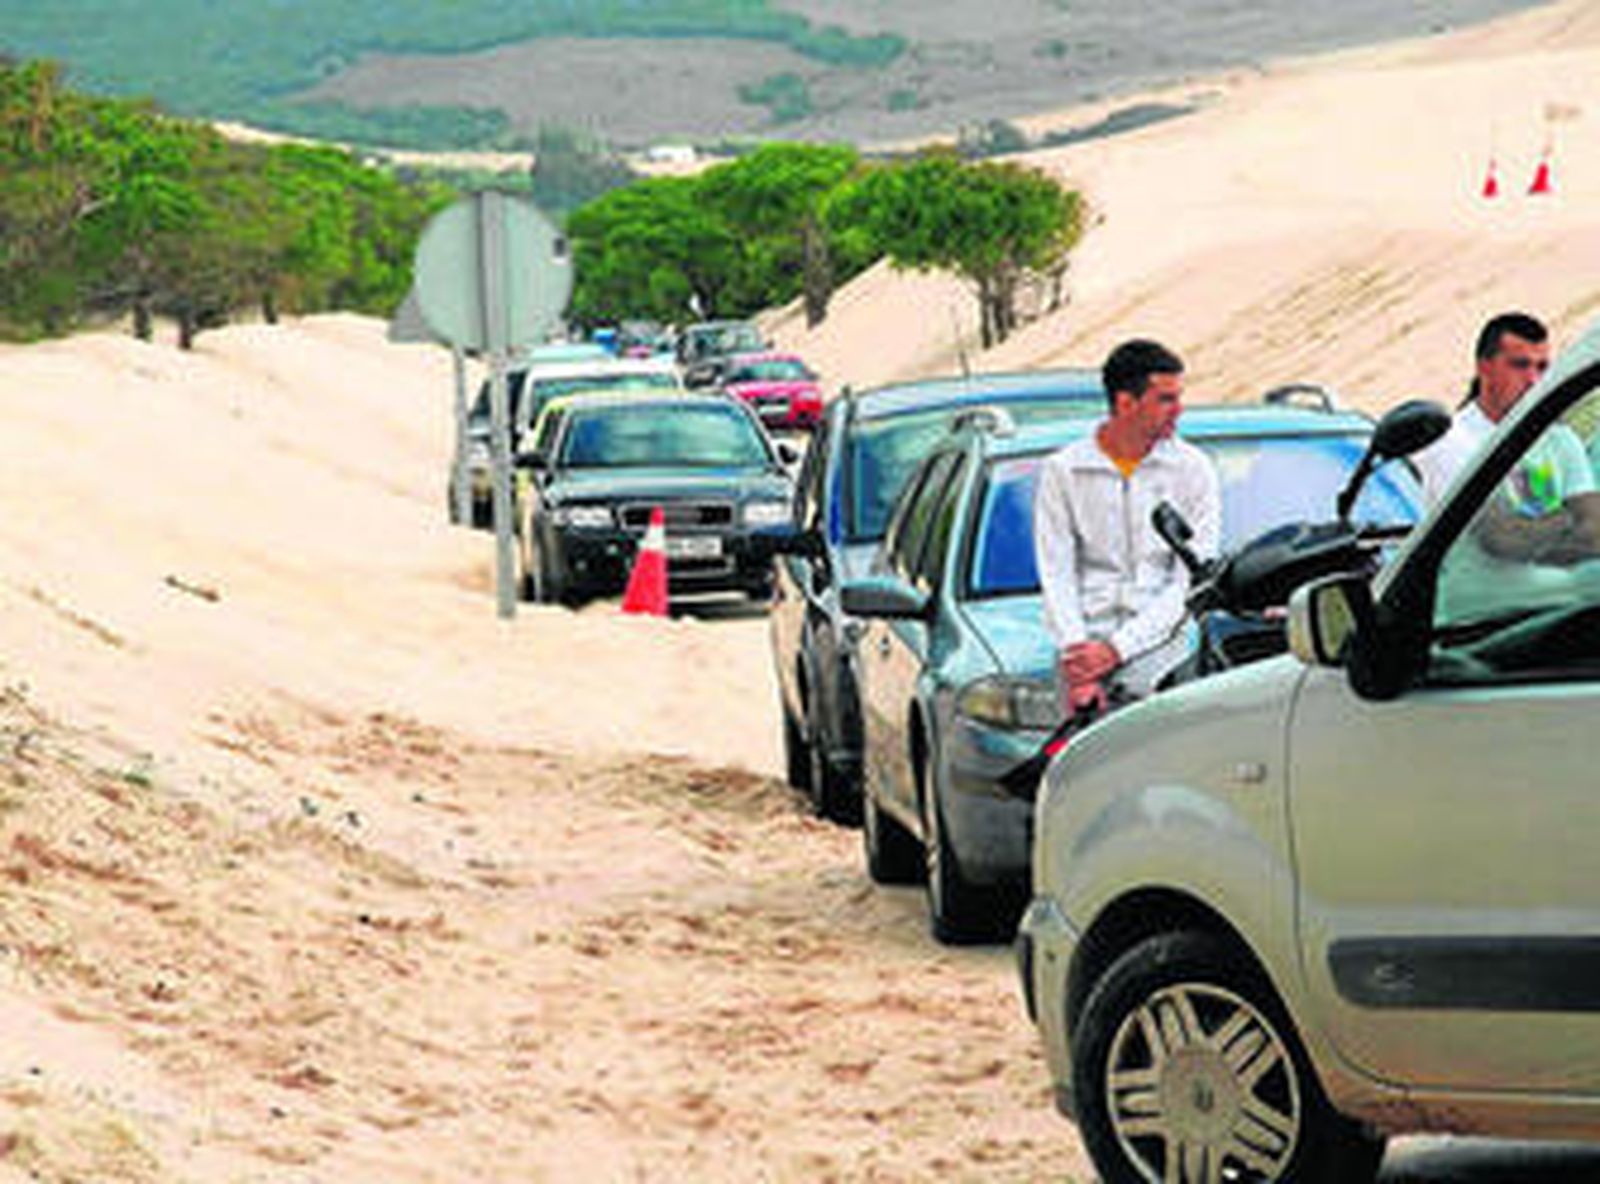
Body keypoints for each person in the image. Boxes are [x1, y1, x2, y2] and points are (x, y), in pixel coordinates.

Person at [1033, 339, 1222, 715]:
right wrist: (1080, 664)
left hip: (1164, 653)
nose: (1179, 410)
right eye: (1165, 399)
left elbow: (1191, 578)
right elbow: (1056, 571)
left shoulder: (1193, 469)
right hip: (1082, 657)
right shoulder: (1064, 471)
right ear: (1125, 403)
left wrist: (1118, 649)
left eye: (1179, 397)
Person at [1412, 312, 1552, 507]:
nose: (1533, 381)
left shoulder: (1552, 436)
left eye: (1542, 368)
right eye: (1520, 365)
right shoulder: (1450, 446)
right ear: (1484, 368)